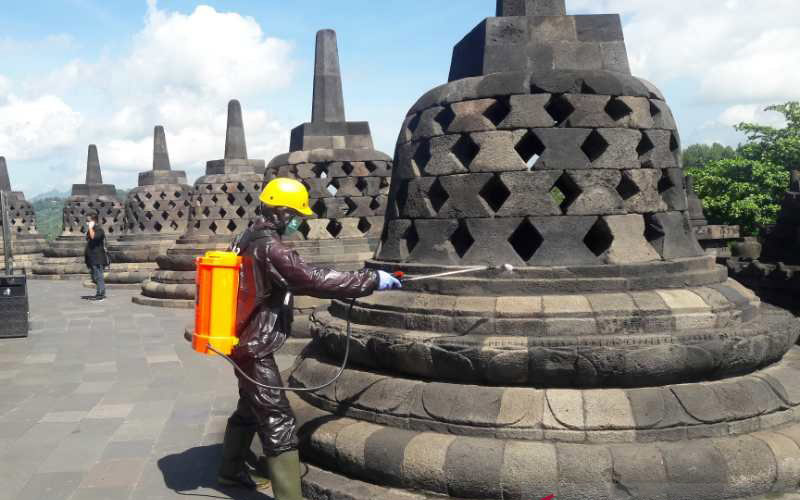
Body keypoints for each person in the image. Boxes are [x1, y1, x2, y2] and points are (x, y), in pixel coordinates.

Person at [216, 177, 401, 499]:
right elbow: (311, 279)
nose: (298, 222)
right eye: (296, 216)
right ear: (281, 212)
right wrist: (370, 281)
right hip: (254, 345)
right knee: (278, 419)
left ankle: (230, 472)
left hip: (241, 337)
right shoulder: (270, 247)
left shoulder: (247, 237)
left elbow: (295, 274)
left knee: (251, 405)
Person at [84, 213, 108, 301]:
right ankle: (99, 292)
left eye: (88, 221)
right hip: (92, 258)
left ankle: (101, 294)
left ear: (93, 221)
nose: (87, 222)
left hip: (97, 258)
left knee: (99, 276)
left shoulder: (99, 230)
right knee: (95, 276)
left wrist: (90, 227)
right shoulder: (92, 229)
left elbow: (93, 237)